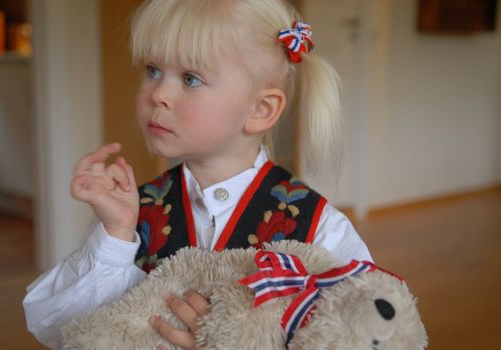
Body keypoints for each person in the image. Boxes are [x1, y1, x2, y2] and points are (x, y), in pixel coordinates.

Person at [23, 0, 372, 348]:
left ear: (261, 110)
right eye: (152, 70)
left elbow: (371, 333)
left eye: (191, 78)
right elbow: (64, 331)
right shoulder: (132, 213)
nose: (158, 93)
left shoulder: (319, 228)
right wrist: (115, 237)